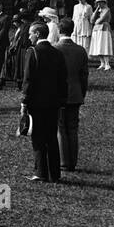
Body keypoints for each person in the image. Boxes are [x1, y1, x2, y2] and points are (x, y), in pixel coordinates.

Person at [21, 21, 68, 183]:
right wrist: (62, 100)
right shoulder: (57, 53)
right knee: (52, 137)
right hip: (54, 102)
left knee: (38, 138)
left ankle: (41, 172)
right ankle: (55, 173)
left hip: (37, 103)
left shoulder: (32, 52)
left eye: (30, 33)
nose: (29, 36)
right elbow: (63, 80)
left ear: (38, 34)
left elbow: (28, 80)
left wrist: (24, 102)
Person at [55, 19, 89, 173]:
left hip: (58, 94)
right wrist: (82, 93)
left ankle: (63, 161)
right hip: (76, 93)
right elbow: (84, 76)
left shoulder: (55, 49)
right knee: (73, 129)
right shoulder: (81, 50)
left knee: (61, 128)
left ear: (59, 30)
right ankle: (72, 162)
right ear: (72, 30)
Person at [89, 0, 113, 70]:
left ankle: (107, 63)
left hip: (104, 29)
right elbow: (92, 20)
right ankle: (102, 63)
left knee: (104, 45)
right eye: (98, 3)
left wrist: (96, 21)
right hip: (96, 30)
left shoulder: (107, 10)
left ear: (104, 2)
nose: (99, 4)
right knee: (98, 46)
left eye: (101, 2)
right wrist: (96, 10)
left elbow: (100, 20)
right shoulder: (98, 10)